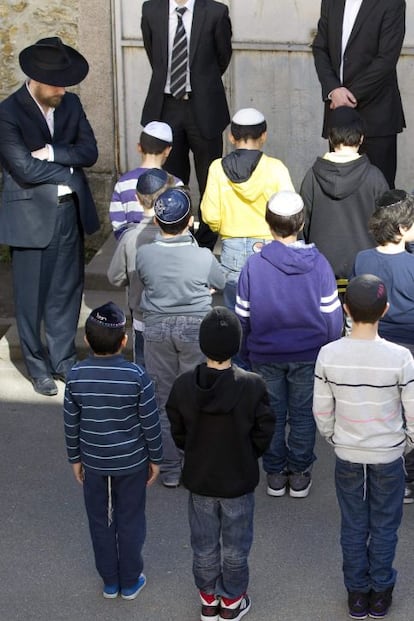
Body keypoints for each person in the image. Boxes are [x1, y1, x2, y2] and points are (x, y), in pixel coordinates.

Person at [0, 36, 99, 396]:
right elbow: (23, 168)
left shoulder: (70, 104)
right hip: (29, 218)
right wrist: (67, 173)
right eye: (57, 84)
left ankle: (64, 361)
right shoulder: (8, 112)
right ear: (36, 80)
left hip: (68, 214)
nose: (63, 89)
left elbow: (89, 151)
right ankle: (38, 367)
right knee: (30, 299)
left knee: (66, 292)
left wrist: (53, 152)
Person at [313, 274, 414, 619]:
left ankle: (357, 594)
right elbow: (413, 410)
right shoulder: (401, 357)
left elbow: (321, 409)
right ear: (385, 310)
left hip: (347, 453)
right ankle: (381, 592)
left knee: (353, 524)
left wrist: (333, 437)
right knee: (385, 525)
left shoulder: (328, 354)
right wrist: (406, 442)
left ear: (345, 309)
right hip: (388, 453)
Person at [166, 306, 274, 621]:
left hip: (200, 478)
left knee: (203, 544)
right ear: (237, 344)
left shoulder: (184, 384)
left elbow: (177, 428)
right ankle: (232, 601)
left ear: (202, 344)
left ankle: (208, 598)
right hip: (238, 480)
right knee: (236, 547)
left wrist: (194, 450)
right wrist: (247, 453)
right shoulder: (252, 385)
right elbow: (264, 428)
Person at [235, 191, 343, 498]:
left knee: (271, 413)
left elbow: (241, 317)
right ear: (302, 222)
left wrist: (245, 353)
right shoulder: (319, 264)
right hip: (309, 354)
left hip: (265, 353)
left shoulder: (254, 265)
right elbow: (332, 316)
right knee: (302, 414)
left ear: (268, 224)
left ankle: (274, 474)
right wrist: (329, 350)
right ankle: (299, 472)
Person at [63, 302, 162, 600]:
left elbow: (71, 423)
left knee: (99, 519)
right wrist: (156, 458)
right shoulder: (136, 376)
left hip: (93, 460)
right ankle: (130, 581)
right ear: (124, 340)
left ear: (86, 339)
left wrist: (75, 458)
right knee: (129, 519)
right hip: (131, 462)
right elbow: (151, 423)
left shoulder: (77, 375)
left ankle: (109, 580)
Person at [135, 187, 226, 487]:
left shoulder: (145, 254)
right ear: (190, 221)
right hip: (194, 327)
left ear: (158, 222)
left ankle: (170, 468)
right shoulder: (201, 256)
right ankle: (196, 463)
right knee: (197, 395)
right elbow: (220, 282)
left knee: (162, 399)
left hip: (157, 327)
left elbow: (144, 284)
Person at [140, 0, 233, 250]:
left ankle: (204, 243)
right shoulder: (152, 9)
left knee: (209, 178)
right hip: (166, 105)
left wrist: (201, 82)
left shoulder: (215, 11)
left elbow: (222, 56)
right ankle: (177, 234)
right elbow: (153, 55)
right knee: (171, 178)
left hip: (204, 106)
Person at [353, 190, 414, 504]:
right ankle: (408, 476)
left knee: (383, 408)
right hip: (410, 345)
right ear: (402, 229)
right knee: (410, 410)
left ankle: (381, 469)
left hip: (376, 341)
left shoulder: (363, 259)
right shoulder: (412, 264)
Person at [201, 108, 294, 311]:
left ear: (231, 137)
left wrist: (223, 227)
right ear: (264, 136)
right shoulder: (276, 167)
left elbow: (210, 214)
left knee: (235, 312)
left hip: (231, 246)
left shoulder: (217, 168)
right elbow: (289, 210)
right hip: (268, 245)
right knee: (267, 307)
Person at [312, 0, 406, 188]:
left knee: (380, 195)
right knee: (339, 190)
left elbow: (386, 59)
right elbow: (320, 48)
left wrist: (348, 95)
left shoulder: (392, 3)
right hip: (338, 116)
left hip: (377, 117)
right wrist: (333, 90)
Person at [301, 106, 388, 284]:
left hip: (322, 269)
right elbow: (387, 225)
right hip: (366, 269)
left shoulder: (312, 176)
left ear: (331, 138)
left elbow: (302, 225)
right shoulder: (374, 176)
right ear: (362, 138)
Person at [107, 168, 175, 366]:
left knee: (144, 371)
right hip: (173, 316)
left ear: (137, 199)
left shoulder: (130, 238)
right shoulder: (179, 235)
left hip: (142, 317)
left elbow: (115, 277)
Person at [109, 120, 182, 239]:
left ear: (139, 147)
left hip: (133, 247)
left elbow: (118, 226)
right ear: (168, 150)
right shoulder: (176, 184)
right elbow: (180, 224)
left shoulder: (122, 183)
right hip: (166, 250)